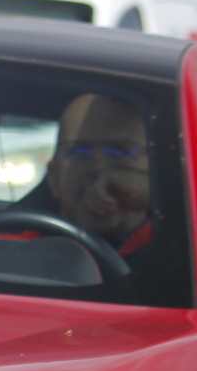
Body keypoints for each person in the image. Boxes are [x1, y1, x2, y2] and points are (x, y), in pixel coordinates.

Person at [45, 92, 155, 255]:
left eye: (119, 151)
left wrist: (162, 197)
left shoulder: (190, 245)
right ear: (53, 177)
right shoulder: (8, 249)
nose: (98, 168)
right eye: (80, 152)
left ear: (153, 170)